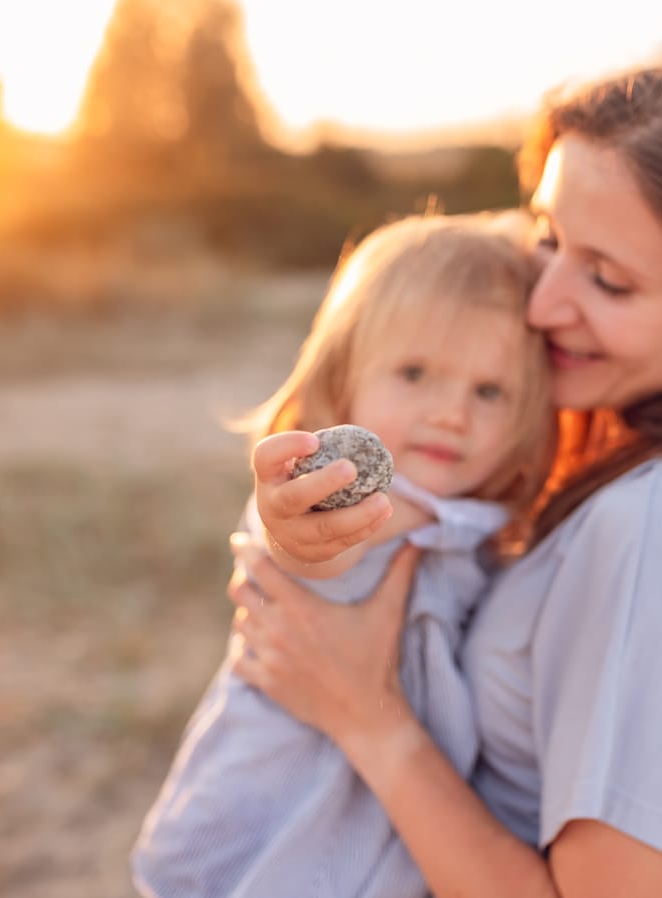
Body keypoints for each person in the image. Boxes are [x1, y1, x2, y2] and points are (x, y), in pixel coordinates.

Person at [228, 58, 662, 898]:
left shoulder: (661, 535)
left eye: (609, 280)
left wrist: (365, 716)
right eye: (550, 238)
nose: (542, 302)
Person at [131, 212, 557, 898]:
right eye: (415, 373)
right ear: (341, 380)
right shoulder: (352, 501)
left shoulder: (490, 530)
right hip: (268, 839)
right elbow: (307, 557)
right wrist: (298, 527)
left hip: (390, 849)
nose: (452, 413)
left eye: (489, 391)